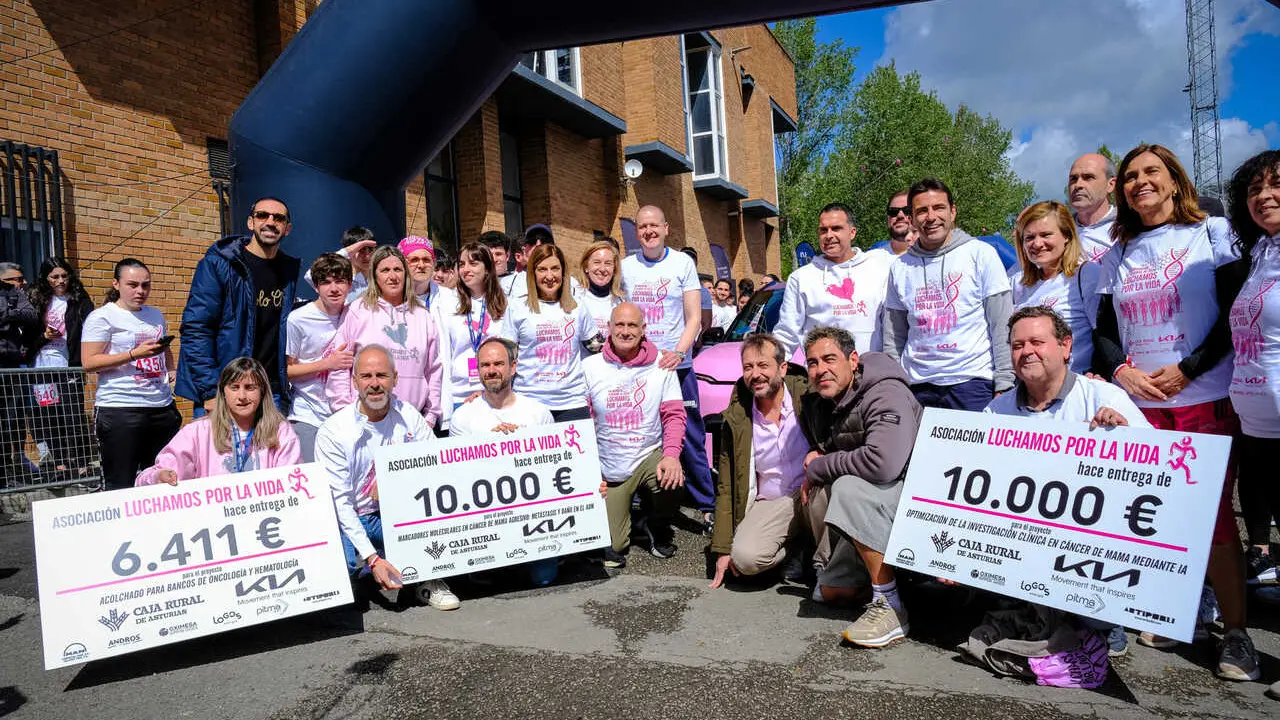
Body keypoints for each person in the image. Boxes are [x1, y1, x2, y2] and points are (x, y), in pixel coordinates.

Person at [1092, 143, 1257, 681]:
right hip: (1139, 407)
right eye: (1132, 176)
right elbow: (1104, 332)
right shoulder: (1115, 254)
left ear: (1174, 180)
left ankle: (1236, 634)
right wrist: (1122, 374)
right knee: (1148, 515)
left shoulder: (1212, 234)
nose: (1141, 182)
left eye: (1152, 173)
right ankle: (1171, 606)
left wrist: (1188, 368)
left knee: (1211, 521)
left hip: (1203, 396)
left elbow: (1236, 315)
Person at [984, 306, 1150, 657]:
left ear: (1065, 346)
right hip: (1022, 533)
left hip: (1090, 541)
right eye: (1017, 345)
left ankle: (1102, 619)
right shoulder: (996, 412)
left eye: (1036, 342)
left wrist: (1125, 436)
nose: (1026, 351)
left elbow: (1156, 474)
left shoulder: (1103, 397)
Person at [798, 326, 922, 648]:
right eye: (812, 363)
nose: (820, 369)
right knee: (828, 593)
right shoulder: (825, 399)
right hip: (879, 495)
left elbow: (883, 463)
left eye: (829, 359)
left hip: (915, 496)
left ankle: (890, 604)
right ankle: (876, 578)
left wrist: (820, 465)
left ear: (853, 360)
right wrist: (820, 457)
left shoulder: (885, 392)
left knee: (846, 487)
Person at [316, 344, 458, 610]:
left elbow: (437, 466)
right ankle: (373, 567)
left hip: (396, 514)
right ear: (354, 380)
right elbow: (341, 505)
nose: (374, 384)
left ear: (395, 379)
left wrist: (396, 482)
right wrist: (371, 558)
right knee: (343, 579)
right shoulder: (334, 431)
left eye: (381, 375)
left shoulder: (410, 417)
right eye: (366, 376)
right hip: (353, 516)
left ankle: (428, 580)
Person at [709, 332, 830, 589]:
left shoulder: (809, 398)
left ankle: (826, 568)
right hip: (772, 501)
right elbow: (727, 484)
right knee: (745, 559)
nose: (756, 374)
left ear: (782, 368)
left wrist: (820, 454)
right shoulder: (738, 416)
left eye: (763, 365)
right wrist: (722, 548)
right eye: (748, 367)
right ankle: (795, 550)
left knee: (825, 489)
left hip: (812, 490)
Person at [883, 177, 1014, 411]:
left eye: (939, 208)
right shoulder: (900, 267)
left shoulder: (981, 254)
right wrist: (894, 386)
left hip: (972, 383)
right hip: (916, 386)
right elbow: (894, 337)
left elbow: (1002, 323)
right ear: (912, 219)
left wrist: (1005, 383)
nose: (931, 217)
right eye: (922, 210)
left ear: (952, 212)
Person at [622, 206, 715, 525]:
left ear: (666, 228)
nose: (648, 231)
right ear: (636, 231)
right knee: (639, 432)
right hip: (640, 367)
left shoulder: (682, 263)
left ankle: (706, 503)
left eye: (654, 226)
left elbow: (693, 318)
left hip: (678, 365)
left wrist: (679, 351)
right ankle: (637, 499)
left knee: (689, 433)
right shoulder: (626, 267)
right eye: (642, 226)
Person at [448, 336, 560, 585]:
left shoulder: (537, 412)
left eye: (498, 364)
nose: (491, 371)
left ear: (513, 367)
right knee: (485, 578)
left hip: (532, 513)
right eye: (485, 366)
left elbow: (553, 466)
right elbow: (458, 475)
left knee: (544, 579)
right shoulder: (463, 416)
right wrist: (490, 446)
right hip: (486, 514)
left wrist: (519, 444)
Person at [583, 303, 686, 568]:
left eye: (632, 325)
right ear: (609, 328)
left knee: (673, 479)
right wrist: (591, 471)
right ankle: (626, 518)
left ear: (643, 330)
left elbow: (674, 416)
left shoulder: (662, 365)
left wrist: (672, 456)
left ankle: (655, 523)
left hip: (647, 455)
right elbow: (583, 422)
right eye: (620, 325)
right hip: (610, 465)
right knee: (615, 547)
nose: (625, 331)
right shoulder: (590, 367)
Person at [177, 196, 300, 414]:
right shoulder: (219, 265)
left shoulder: (288, 271)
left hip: (271, 393)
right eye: (262, 215)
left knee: (272, 449)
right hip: (227, 389)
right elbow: (196, 329)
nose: (270, 221)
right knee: (219, 449)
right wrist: (211, 390)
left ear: (287, 228)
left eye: (278, 218)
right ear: (250, 223)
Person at [1225, 150, 1280, 599]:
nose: (1264, 196)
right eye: (1254, 189)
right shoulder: (1261, 253)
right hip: (1257, 425)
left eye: (1276, 184)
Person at [81, 259, 181, 490]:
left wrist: (172, 370)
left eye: (146, 285)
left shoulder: (155, 315)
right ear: (116, 284)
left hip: (161, 407)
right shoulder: (102, 317)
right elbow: (89, 362)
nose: (140, 291)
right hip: (120, 409)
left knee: (163, 480)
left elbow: (164, 349)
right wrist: (134, 354)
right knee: (120, 483)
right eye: (133, 285)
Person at [326, 246, 442, 427]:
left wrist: (430, 416)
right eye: (385, 270)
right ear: (375, 275)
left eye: (397, 269)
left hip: (412, 422)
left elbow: (433, 370)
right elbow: (340, 367)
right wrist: (344, 412)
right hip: (365, 421)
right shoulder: (357, 311)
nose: (393, 276)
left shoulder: (422, 315)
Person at [136, 357, 301, 485]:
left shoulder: (280, 431)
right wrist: (159, 477)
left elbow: (293, 481)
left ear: (263, 392)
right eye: (234, 388)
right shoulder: (197, 432)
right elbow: (146, 479)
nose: (242, 396)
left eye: (250, 388)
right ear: (223, 392)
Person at [775, 202, 890, 359]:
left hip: (870, 372)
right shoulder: (801, 278)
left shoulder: (878, 271)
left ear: (852, 232)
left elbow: (892, 329)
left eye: (836, 228)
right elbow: (786, 333)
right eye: (823, 230)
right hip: (823, 376)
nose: (829, 236)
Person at [498, 244, 598, 421]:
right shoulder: (517, 307)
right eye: (542, 269)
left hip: (572, 403)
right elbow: (506, 356)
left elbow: (598, 348)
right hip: (528, 403)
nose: (549, 276)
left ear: (563, 272)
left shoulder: (578, 307)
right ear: (533, 273)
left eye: (555, 269)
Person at [1010, 201, 1101, 374]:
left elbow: (1106, 335)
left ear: (1066, 235)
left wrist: (1098, 373)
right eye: (1029, 237)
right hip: (1031, 391)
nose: (1037, 244)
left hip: (1074, 386)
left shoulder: (1086, 275)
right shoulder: (1019, 284)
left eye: (1046, 235)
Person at [27, 257, 95, 474]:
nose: (60, 280)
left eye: (64, 276)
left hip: (70, 363)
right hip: (43, 364)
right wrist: (44, 336)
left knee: (72, 414)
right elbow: (27, 338)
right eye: (54, 276)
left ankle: (81, 463)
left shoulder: (79, 301)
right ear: (46, 278)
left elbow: (92, 329)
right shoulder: (37, 301)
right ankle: (59, 463)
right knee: (49, 414)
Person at [286, 253, 354, 461]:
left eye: (340, 281)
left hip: (348, 415)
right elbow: (287, 371)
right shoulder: (298, 319)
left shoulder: (356, 314)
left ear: (350, 285)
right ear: (315, 286)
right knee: (313, 482)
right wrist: (327, 364)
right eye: (326, 282)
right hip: (308, 415)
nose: (334, 288)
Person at [434, 241, 507, 430]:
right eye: (462, 264)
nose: (466, 269)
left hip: (496, 396)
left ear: (488, 268)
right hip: (459, 397)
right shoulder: (447, 303)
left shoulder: (506, 305)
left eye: (473, 263)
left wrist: (486, 393)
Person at [0, 265, 37, 482]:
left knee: (12, 418)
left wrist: (9, 314)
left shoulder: (15, 295)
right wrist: (11, 315)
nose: (22, 283)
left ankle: (9, 469)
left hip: (12, 365)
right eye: (17, 279)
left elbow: (31, 316)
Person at [304, 226, 376, 303]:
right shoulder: (338, 281)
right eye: (361, 250)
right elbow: (309, 276)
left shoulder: (379, 279)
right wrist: (347, 251)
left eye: (370, 249)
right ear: (351, 251)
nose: (367, 256)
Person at [1068, 153, 1118, 263]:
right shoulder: (1061, 230)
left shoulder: (1127, 228)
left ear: (1111, 185)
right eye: (1073, 178)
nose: (1078, 185)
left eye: (1088, 177)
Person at [575, 240, 623, 340]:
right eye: (596, 262)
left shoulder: (621, 301)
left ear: (614, 269)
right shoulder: (575, 297)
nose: (602, 269)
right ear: (586, 267)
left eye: (608, 263)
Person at [868, 190, 918, 261]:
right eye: (893, 211)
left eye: (907, 210)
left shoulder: (935, 257)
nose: (900, 215)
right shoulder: (871, 259)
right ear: (888, 219)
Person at [400, 236, 442, 309]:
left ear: (433, 263)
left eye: (426, 260)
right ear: (402, 264)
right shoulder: (390, 300)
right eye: (414, 260)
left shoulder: (450, 299)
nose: (421, 265)